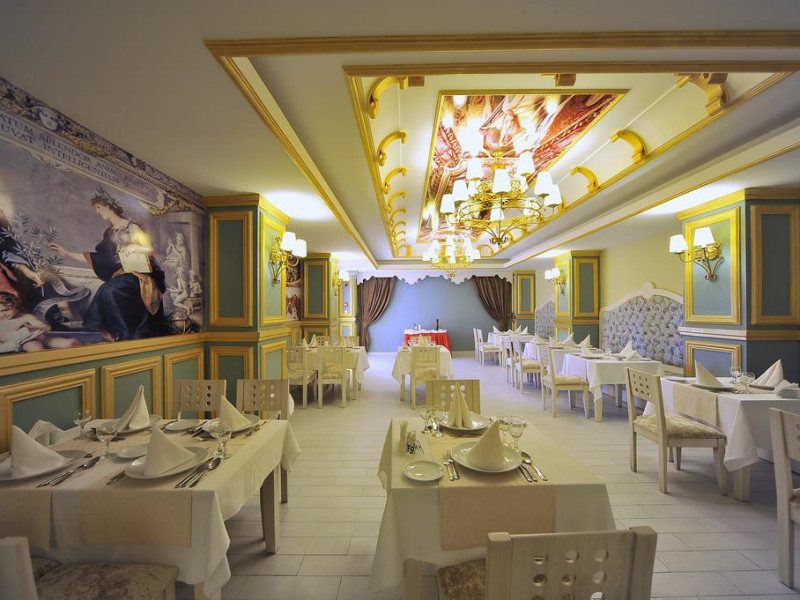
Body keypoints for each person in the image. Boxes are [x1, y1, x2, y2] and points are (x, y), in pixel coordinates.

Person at [49, 189, 167, 341]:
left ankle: (125, 333)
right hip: (124, 274)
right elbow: (98, 258)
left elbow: (151, 250)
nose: (97, 212)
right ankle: (118, 333)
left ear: (108, 206)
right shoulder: (109, 233)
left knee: (108, 289)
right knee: (107, 290)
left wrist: (134, 247)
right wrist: (66, 253)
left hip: (141, 276)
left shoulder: (132, 227)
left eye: (98, 207)